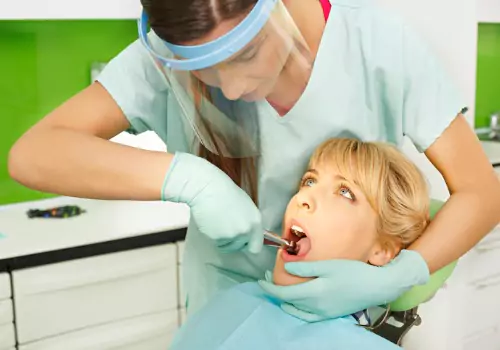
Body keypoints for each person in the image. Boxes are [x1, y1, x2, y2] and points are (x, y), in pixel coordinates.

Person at [7, 0, 500, 323]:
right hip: (221, 318)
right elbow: (34, 153)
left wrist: (401, 274)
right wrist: (186, 178)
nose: (234, 88)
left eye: (246, 54)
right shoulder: (163, 53)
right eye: (203, 71)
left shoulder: (378, 48)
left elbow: (482, 193)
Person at [168, 138, 430, 350]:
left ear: (382, 249)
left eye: (345, 192)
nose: (304, 197)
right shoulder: (231, 301)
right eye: (309, 181)